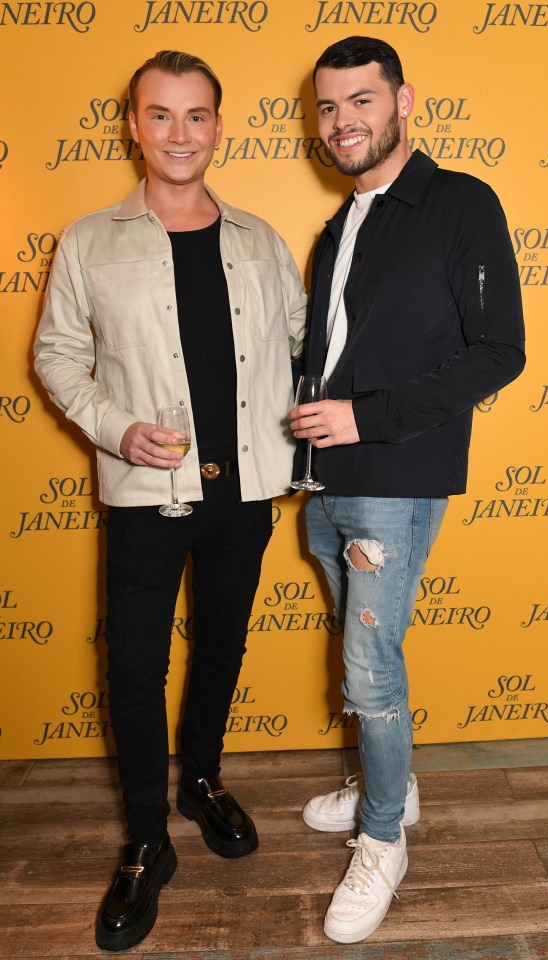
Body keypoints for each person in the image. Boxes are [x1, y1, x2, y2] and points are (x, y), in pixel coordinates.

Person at [34, 50, 306, 952]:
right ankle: (148, 839)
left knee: (222, 645)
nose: (180, 133)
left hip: (247, 494)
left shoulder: (262, 240)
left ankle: (203, 780)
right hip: (148, 495)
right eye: (161, 115)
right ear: (133, 127)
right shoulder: (88, 240)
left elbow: (309, 349)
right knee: (135, 669)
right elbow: (57, 358)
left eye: (197, 116)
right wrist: (117, 428)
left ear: (219, 127)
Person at [288, 36, 525, 944]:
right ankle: (392, 785)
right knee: (364, 664)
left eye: (362, 100)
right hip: (327, 483)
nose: (344, 120)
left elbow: (498, 351)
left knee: (367, 669)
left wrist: (365, 417)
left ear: (402, 101)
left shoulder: (462, 202)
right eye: (328, 106)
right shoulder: (338, 227)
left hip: (396, 474)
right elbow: (332, 359)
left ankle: (384, 837)